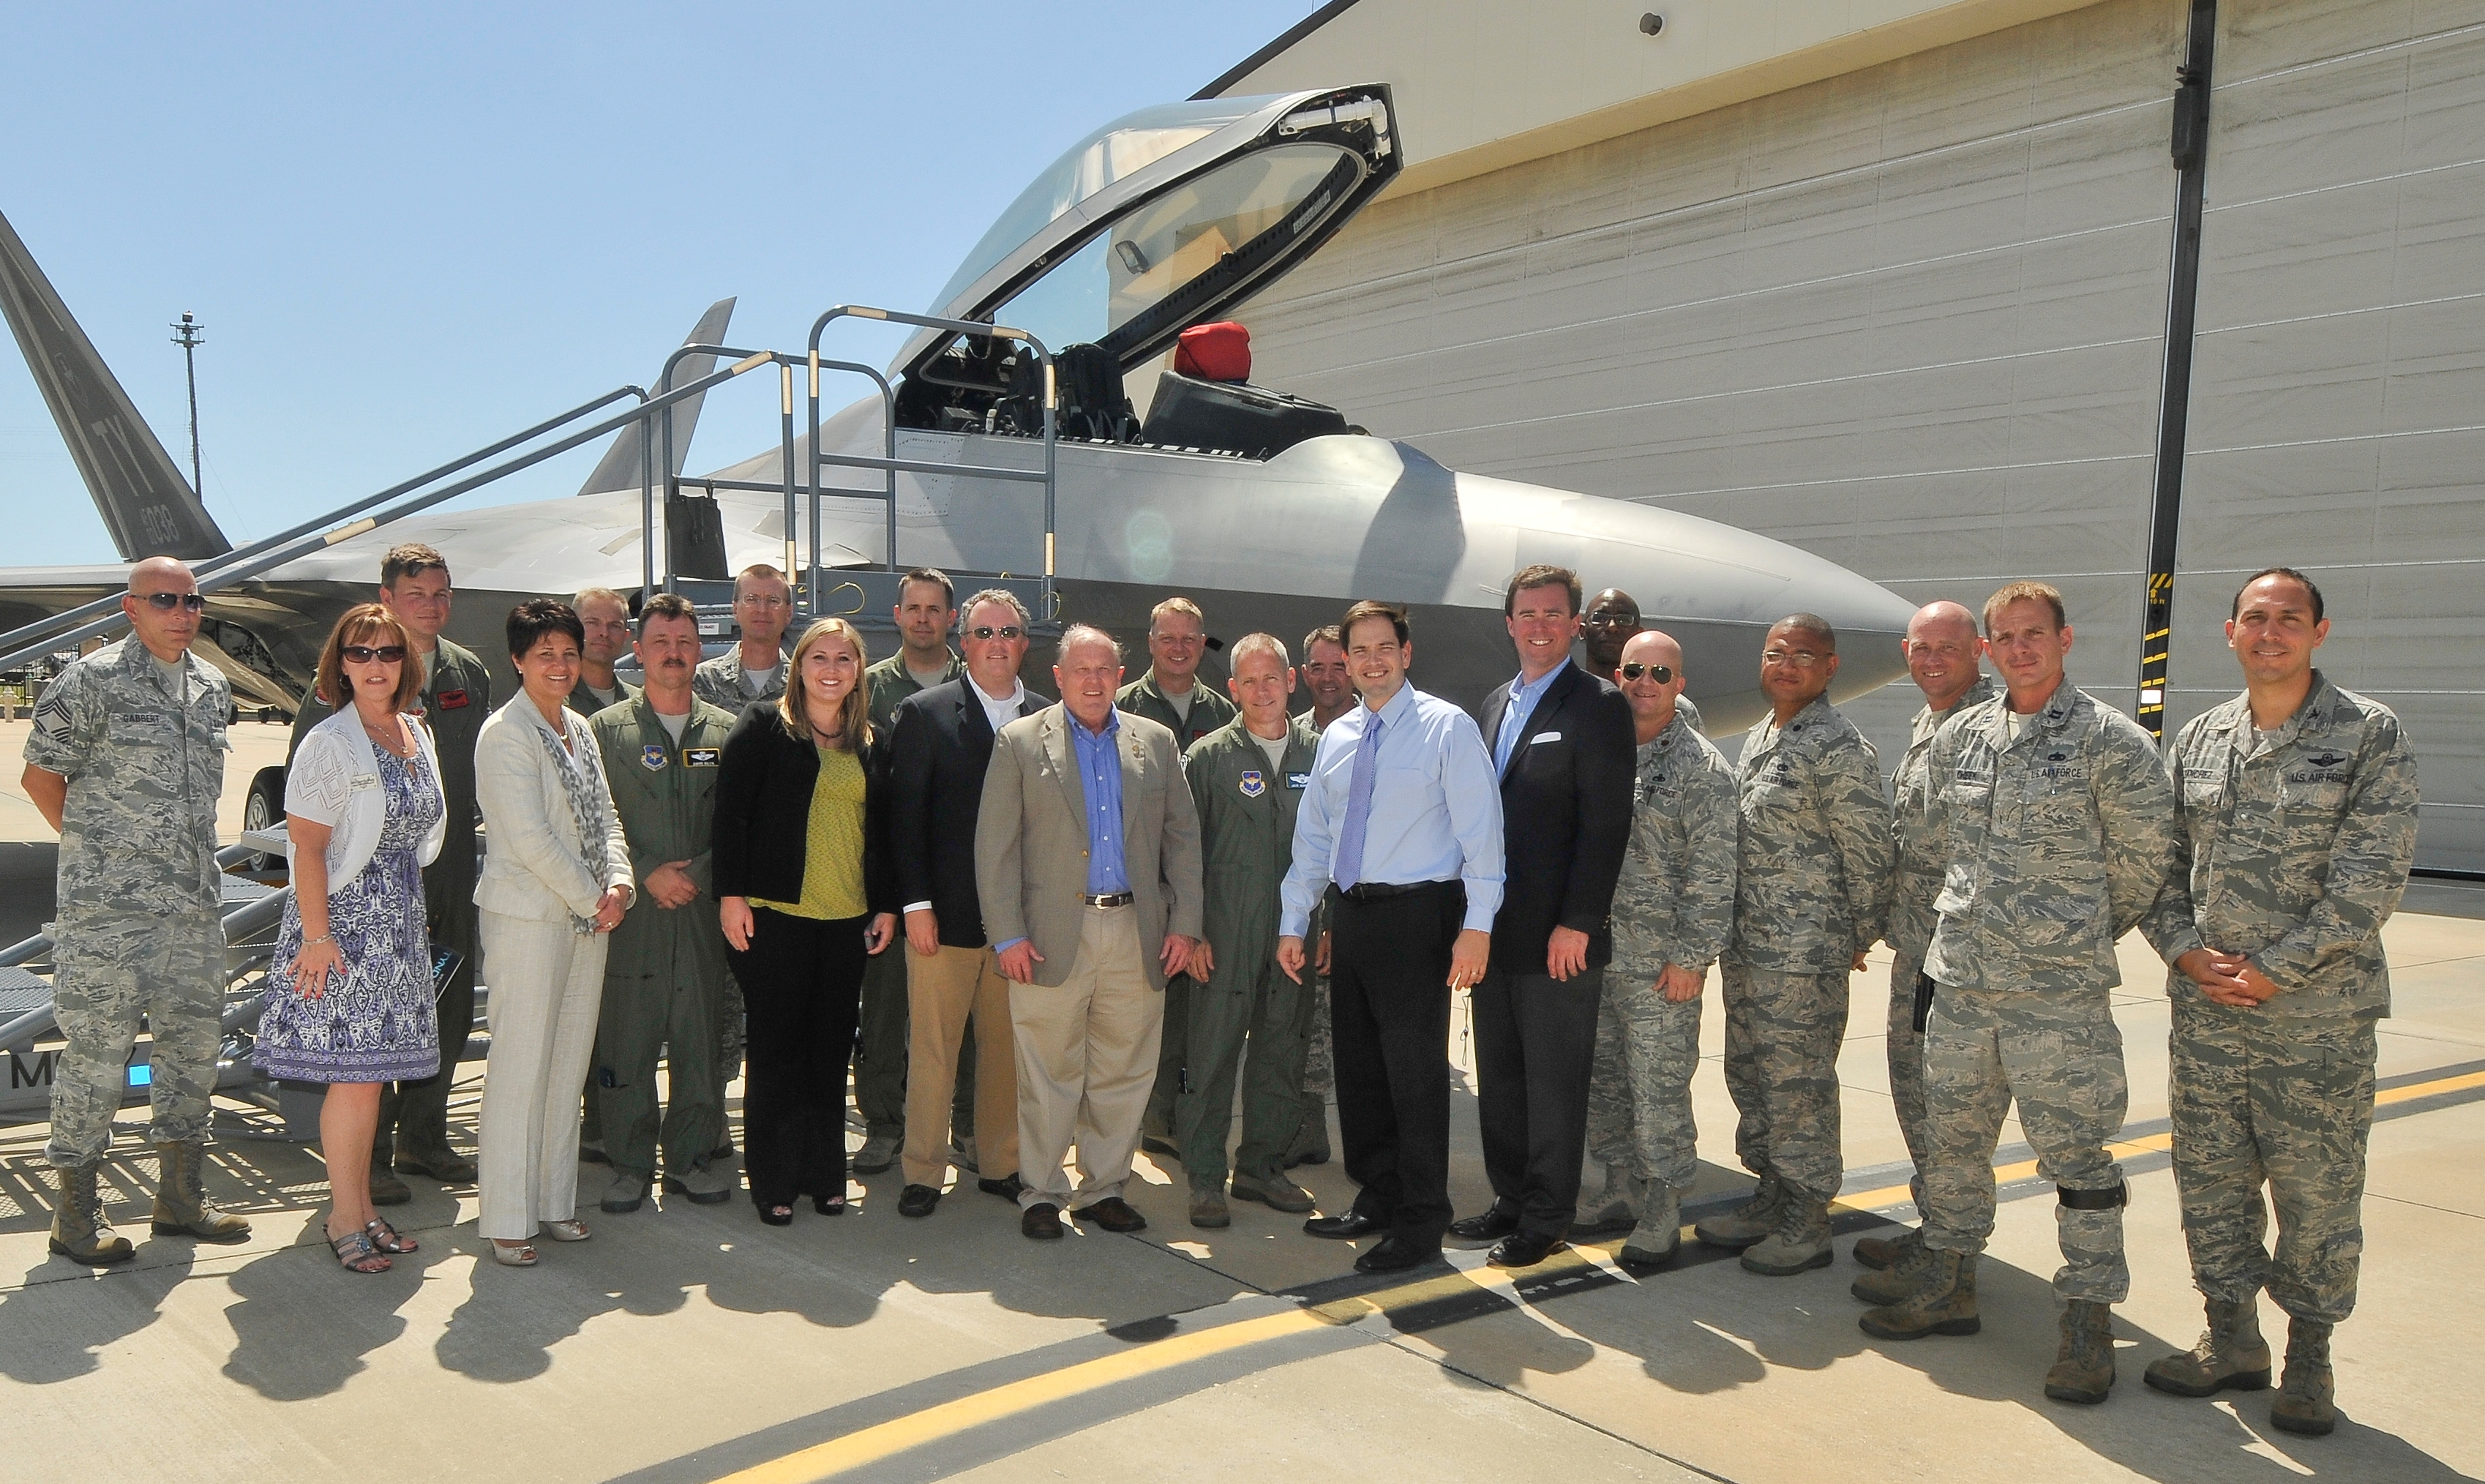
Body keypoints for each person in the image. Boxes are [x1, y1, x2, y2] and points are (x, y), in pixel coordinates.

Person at [1857, 582, 2176, 1409]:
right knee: (1956, 1146)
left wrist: (2069, 933)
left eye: (2035, 634)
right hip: (1962, 983)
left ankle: (2087, 1317)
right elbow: (1934, 845)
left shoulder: (2111, 741)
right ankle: (1951, 1284)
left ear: (2064, 640)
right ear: (1990, 650)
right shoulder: (1963, 735)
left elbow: (2145, 863)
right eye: (2006, 636)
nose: (2020, 648)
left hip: (2056, 997)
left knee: (2078, 1162)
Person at [2137, 569, 2418, 1437]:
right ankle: (2231, 1339)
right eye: (2254, 618)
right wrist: (2183, 952)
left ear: (2318, 633)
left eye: (2288, 619)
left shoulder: (2368, 734)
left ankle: (2309, 1358)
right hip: (2208, 1019)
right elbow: (2160, 867)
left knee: (2318, 1194)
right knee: (2211, 1184)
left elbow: (2371, 879)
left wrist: (2275, 971)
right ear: (2230, 633)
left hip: (2317, 1024)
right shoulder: (2198, 739)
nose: (2270, 632)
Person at [24, 556, 252, 1263]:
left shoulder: (212, 686)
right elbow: (39, 776)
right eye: (164, 599)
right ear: (131, 608)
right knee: (97, 1059)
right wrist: (104, 855)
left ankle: (180, 1197)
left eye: (191, 600)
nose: (181, 611)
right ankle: (75, 1217)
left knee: (192, 1054)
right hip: (108, 917)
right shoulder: (90, 682)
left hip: (193, 911)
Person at [1278, 601, 1503, 1275]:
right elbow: (1315, 836)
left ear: (1406, 654)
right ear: (1344, 662)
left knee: (1414, 1076)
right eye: (1359, 652)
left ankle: (1421, 1221)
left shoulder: (1447, 729)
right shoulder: (1340, 737)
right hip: (1353, 916)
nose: (1371, 661)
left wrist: (1477, 930)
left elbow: (1483, 838)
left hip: (1418, 918)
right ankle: (1378, 1195)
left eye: (1384, 649)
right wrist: (1297, 920)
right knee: (1361, 1071)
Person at [978, 624, 1204, 1240]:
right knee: (1049, 1072)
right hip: (1048, 936)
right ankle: (1042, 1193)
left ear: (1119, 675)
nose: (1095, 680)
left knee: (1124, 1071)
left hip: (1137, 931)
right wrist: (1008, 937)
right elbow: (994, 850)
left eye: (1106, 669)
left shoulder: (1155, 743)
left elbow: (1182, 842)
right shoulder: (1020, 743)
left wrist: (1186, 924)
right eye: (1082, 669)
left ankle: (1103, 1189)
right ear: (1059, 675)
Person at [288, 541, 490, 1201]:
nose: (432, 605)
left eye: (441, 593)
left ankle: (425, 1136)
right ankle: (366, 1161)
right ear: (387, 602)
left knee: (443, 1010)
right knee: (365, 1036)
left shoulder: (468, 673)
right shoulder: (337, 691)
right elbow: (308, 817)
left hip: (445, 865)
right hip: (364, 889)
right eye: (417, 595)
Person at [1696, 614, 1892, 1277]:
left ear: (1830, 668)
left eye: (1804, 656)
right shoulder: (1760, 737)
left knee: (1799, 1085)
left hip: (1803, 955)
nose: (1787, 666)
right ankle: (1770, 1193)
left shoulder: (1838, 746)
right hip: (1749, 947)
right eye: (1776, 653)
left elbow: (1869, 854)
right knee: (1751, 1074)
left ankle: (1808, 1217)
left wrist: (1853, 934)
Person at [1450, 566, 1634, 1268]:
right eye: (1526, 614)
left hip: (1560, 935)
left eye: (1553, 614)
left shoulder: (1598, 705)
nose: (1539, 626)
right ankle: (1509, 1199)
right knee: (1500, 1076)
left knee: (1553, 1082)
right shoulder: (1496, 702)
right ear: (1509, 624)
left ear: (1574, 624)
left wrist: (1580, 921)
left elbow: (1606, 823)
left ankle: (1548, 1215)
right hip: (1496, 930)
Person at [255, 604, 446, 1272]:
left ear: (406, 662)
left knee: (376, 1079)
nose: (375, 665)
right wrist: (316, 938)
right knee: (356, 1082)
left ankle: (364, 1208)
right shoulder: (328, 741)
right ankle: (344, 1216)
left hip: (396, 922)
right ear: (340, 664)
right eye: (360, 654)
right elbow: (305, 846)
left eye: (388, 652)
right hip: (342, 925)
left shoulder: (413, 732)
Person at [713, 618, 899, 1225]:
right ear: (799, 667)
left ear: (858, 671)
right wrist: (732, 896)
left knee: (829, 1053)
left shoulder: (871, 739)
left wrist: (885, 906)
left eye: (844, 659)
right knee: (776, 1053)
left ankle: (824, 1175)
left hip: (846, 923)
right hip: (777, 919)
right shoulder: (765, 726)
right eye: (819, 657)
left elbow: (884, 835)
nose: (830, 669)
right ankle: (773, 1180)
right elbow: (732, 817)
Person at [471, 599, 636, 1266]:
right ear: (517, 661)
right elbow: (530, 839)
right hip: (530, 919)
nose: (561, 665)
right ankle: (507, 1217)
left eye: (569, 653)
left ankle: (553, 1202)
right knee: (520, 1066)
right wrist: (595, 897)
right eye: (546, 655)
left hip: (590, 918)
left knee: (566, 1064)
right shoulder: (503, 734)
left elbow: (607, 819)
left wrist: (619, 882)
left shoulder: (577, 728)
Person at [1578, 628, 1736, 1273]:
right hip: (1599, 955)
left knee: (1659, 1088)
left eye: (1661, 674)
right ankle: (1619, 1188)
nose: (1646, 683)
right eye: (1634, 671)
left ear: (1681, 685)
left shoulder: (1702, 768)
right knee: (1605, 1080)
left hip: (1660, 966)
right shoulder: (1602, 749)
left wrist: (1692, 959)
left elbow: (1714, 873)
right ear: (1618, 675)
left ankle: (1664, 1205)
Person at [1853, 601, 1998, 1273]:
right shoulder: (1932, 722)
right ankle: (1937, 1228)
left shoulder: (1989, 729)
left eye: (1947, 647)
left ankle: (1953, 1257)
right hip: (1918, 950)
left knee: (1952, 1109)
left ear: (1980, 650)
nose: (1932, 660)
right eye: (1920, 649)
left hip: (1963, 963)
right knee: (1915, 1093)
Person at [885, 590, 1039, 1219]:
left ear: (1024, 643)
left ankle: (1001, 1162)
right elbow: (904, 819)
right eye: (984, 632)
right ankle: (923, 1169)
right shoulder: (925, 713)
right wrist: (914, 903)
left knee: (1006, 1053)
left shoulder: (1047, 718)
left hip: (1019, 927)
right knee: (933, 1050)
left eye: (1008, 631)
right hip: (942, 917)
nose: (997, 642)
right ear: (964, 641)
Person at [587, 593, 740, 1214]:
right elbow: (595, 820)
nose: (673, 654)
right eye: (660, 643)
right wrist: (646, 873)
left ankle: (690, 1160)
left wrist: (699, 874)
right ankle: (628, 1165)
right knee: (628, 1041)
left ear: (698, 651)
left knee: (699, 1037)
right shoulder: (605, 731)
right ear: (638, 650)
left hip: (701, 914)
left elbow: (740, 822)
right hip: (633, 912)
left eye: (684, 643)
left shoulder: (728, 732)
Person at [1174, 633, 1323, 1228]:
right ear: (1232, 689)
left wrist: (1327, 926)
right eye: (1249, 681)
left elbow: (1339, 848)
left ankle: (1262, 1167)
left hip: (1294, 933)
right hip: (1224, 929)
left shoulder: (1322, 753)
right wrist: (1191, 931)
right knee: (1210, 1056)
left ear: (1292, 682)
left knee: (1283, 1049)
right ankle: (1206, 1175)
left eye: (1273, 678)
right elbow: (1180, 850)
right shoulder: (1208, 758)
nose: (1262, 691)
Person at [854, 569, 967, 1178]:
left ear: (952, 619)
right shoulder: (867, 689)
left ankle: (967, 1125)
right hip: (887, 876)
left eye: (935, 609)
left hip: (958, 874)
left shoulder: (979, 678)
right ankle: (883, 1123)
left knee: (968, 1012)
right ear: (896, 616)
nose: (924, 618)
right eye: (913, 608)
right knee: (886, 1008)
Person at [1122, 597, 1238, 1155]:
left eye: (1191, 639)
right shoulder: (1120, 709)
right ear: (1151, 642)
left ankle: (1173, 1116)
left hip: (1202, 888)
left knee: (1194, 1016)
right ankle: (1136, 1116)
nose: (1179, 648)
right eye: (1169, 637)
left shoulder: (1223, 716)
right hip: (1138, 888)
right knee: (1136, 1016)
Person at [693, 562, 795, 1117]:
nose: (762, 609)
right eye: (752, 599)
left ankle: (774, 1123)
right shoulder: (703, 681)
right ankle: (707, 1122)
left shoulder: (807, 681)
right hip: (719, 866)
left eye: (773, 600)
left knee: (780, 1014)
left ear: (789, 610)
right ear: (734, 609)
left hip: (786, 873)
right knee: (715, 1007)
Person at [1286, 623, 1355, 1169]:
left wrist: (1333, 919)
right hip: (1301, 905)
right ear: (1303, 673)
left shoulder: (1370, 732)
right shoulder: (1291, 735)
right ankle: (1306, 1127)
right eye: (1318, 667)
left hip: (1354, 908)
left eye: (1339, 665)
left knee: (1346, 1026)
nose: (1329, 678)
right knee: (1301, 1020)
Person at [568, 586, 639, 715]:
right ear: (573, 628)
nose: (604, 633)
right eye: (593, 623)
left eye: (615, 626)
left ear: (626, 635)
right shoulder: (555, 700)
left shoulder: (640, 704)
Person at [1581, 588, 1642, 676]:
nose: (1612, 627)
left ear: (1639, 634)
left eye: (1623, 620)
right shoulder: (1559, 688)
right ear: (1582, 631)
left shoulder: (1651, 689)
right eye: (1600, 618)